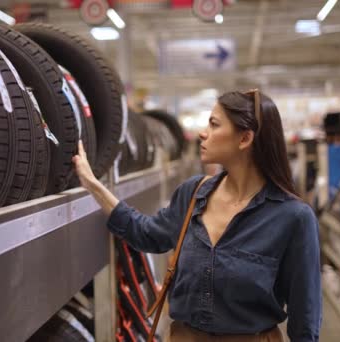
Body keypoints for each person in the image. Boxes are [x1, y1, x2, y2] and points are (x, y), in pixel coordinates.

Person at [72, 90, 322, 342]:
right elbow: (147, 234)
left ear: (245, 138)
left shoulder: (293, 217)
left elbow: (305, 320)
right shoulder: (193, 193)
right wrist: (94, 185)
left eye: (214, 125)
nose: (203, 133)